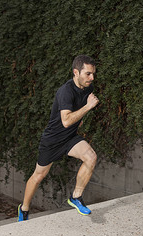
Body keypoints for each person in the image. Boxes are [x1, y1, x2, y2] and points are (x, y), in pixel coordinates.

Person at [18, 55, 99, 221]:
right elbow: (66, 121)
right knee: (38, 176)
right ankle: (24, 209)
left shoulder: (88, 88)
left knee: (91, 157)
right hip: (52, 141)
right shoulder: (65, 91)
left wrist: (82, 118)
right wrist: (88, 107)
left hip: (69, 138)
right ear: (76, 72)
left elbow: (75, 118)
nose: (92, 78)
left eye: (93, 74)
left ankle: (76, 197)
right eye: (88, 74)